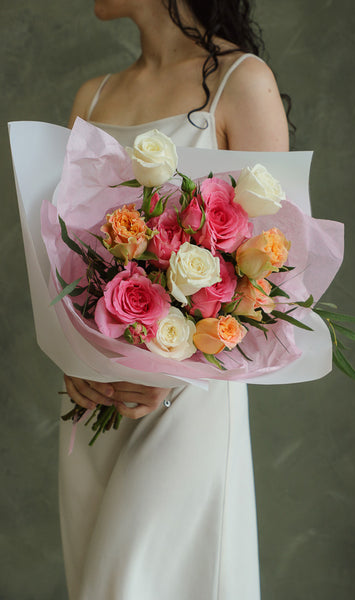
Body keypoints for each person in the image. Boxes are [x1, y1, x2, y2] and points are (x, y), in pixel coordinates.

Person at [61, 1, 289, 598]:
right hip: (96, 401)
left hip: (189, 399)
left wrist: (173, 363)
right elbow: (62, 262)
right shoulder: (91, 97)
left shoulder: (243, 83)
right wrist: (71, 357)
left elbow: (275, 269)